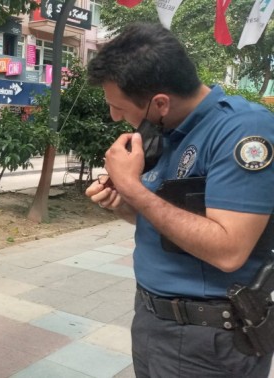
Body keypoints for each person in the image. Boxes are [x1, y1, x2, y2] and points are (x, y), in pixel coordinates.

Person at [85, 22, 274, 377]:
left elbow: (229, 249)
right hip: (153, 321)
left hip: (209, 340)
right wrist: (124, 201)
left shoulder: (242, 132)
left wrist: (135, 190)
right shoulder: (165, 131)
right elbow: (170, 223)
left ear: (160, 103)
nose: (114, 117)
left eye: (119, 107)